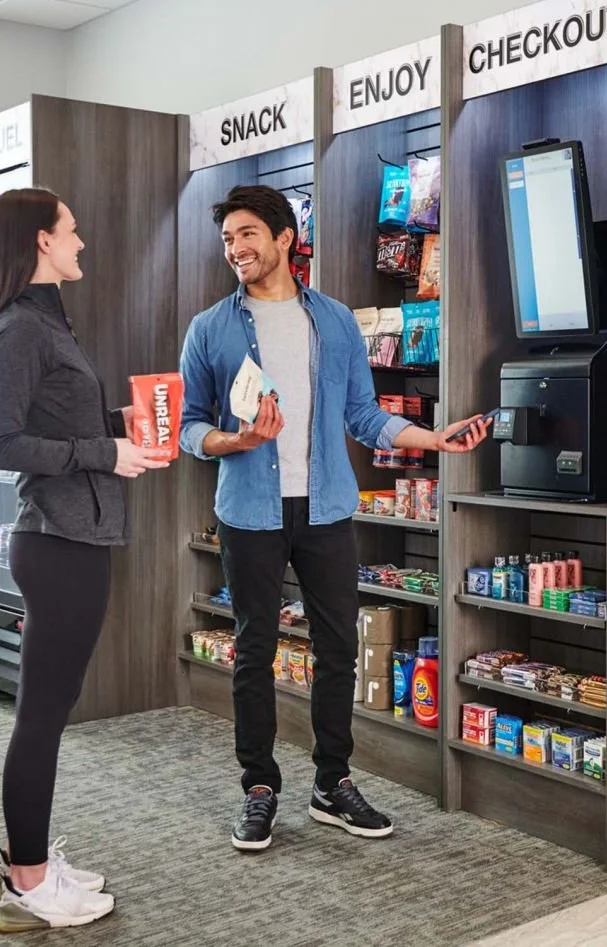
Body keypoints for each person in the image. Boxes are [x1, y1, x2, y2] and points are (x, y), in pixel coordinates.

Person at [179, 185, 490, 853]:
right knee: (255, 652)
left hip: (324, 508)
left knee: (338, 650)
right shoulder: (209, 327)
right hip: (249, 510)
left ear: (284, 237)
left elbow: (364, 416)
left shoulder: (336, 321)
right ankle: (259, 788)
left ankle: (332, 782)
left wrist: (433, 438)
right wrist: (233, 441)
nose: (236, 248)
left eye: (246, 234)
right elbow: (188, 428)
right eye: (228, 238)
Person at [0, 187, 166, 932]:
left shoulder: (48, 321)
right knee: (42, 717)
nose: (81, 240)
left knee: (45, 711)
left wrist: (125, 426)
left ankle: (30, 862)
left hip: (74, 537)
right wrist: (103, 450)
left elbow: (58, 420)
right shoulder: (21, 327)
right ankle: (27, 878)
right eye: (72, 230)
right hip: (57, 543)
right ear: (42, 243)